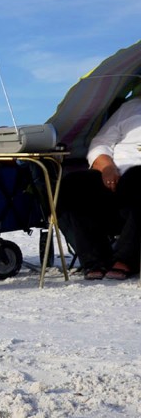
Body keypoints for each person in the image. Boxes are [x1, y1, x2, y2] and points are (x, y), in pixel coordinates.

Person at [58, 97, 141, 280]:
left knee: (137, 177)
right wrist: (107, 167)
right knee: (74, 184)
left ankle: (125, 259)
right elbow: (101, 143)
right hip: (113, 175)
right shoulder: (130, 108)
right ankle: (95, 260)